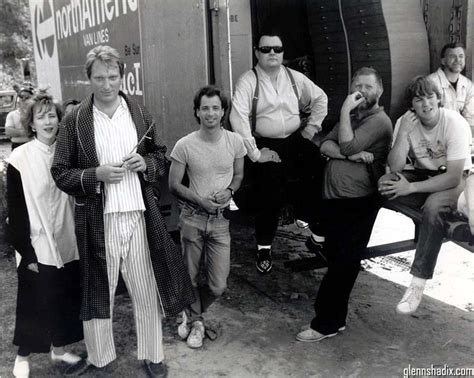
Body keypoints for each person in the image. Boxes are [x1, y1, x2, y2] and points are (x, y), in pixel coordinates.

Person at [50, 45, 194, 377]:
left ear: (121, 75)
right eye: (99, 78)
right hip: (99, 219)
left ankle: (153, 354)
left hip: (139, 215)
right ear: (88, 78)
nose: (107, 84)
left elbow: (160, 154)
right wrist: (93, 175)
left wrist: (147, 163)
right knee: (99, 290)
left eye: (113, 76)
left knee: (145, 288)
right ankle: (100, 358)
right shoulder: (75, 120)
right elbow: (60, 172)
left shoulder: (139, 112)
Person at [295, 67, 393, 342]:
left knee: (343, 264)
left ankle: (324, 323)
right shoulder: (352, 116)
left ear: (380, 90)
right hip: (337, 198)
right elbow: (325, 145)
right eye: (357, 86)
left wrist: (343, 118)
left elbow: (346, 145)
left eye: (368, 86)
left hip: (358, 200)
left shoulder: (379, 121)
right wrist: (349, 157)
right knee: (338, 259)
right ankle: (335, 321)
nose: (362, 90)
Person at [230, 31, 328, 274]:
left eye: (277, 49)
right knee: (269, 190)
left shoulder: (295, 78)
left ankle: (317, 234)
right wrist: (255, 153)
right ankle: (264, 246)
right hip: (265, 143)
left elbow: (321, 98)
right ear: (257, 53)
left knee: (318, 169)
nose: (272, 53)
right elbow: (237, 117)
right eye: (266, 49)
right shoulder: (248, 81)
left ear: (283, 53)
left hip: (294, 140)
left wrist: (311, 130)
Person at [378, 76, 472, 315]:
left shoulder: (454, 123)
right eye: (419, 99)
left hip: (454, 180)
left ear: (439, 99)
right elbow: (396, 168)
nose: (425, 104)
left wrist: (411, 189)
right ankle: (453, 214)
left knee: (432, 208)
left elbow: (452, 177)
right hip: (422, 175)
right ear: (412, 104)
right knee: (385, 184)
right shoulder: (405, 122)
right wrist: (403, 135)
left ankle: (417, 284)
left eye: (430, 97)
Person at [7, 92, 83, 378]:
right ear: (32, 125)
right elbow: (15, 209)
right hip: (36, 242)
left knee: (64, 296)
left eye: (52, 115)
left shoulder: (67, 153)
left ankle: (60, 349)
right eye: (42, 116)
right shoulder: (20, 158)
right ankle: (22, 357)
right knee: (34, 300)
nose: (49, 121)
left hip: (66, 238)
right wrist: (25, 251)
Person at [169, 86, 245, 349]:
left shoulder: (235, 142)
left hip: (221, 221)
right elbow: (174, 185)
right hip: (192, 218)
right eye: (205, 108)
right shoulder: (185, 145)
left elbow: (238, 176)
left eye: (215, 108)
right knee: (188, 277)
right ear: (197, 112)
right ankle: (197, 322)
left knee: (218, 285)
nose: (210, 113)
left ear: (223, 111)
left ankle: (188, 312)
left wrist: (229, 190)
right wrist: (199, 200)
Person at [427, 42, 474, 136]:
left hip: (460, 135)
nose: (457, 60)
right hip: (436, 136)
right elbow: (428, 118)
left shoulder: (468, 85)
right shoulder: (430, 83)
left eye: (461, 56)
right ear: (443, 61)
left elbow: (470, 119)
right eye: (452, 56)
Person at [5, 82, 34, 150]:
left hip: (32, 145)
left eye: (27, 98)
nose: (24, 99)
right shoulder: (12, 114)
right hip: (17, 146)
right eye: (21, 97)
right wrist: (26, 132)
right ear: (18, 100)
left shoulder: (35, 114)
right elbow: (8, 131)